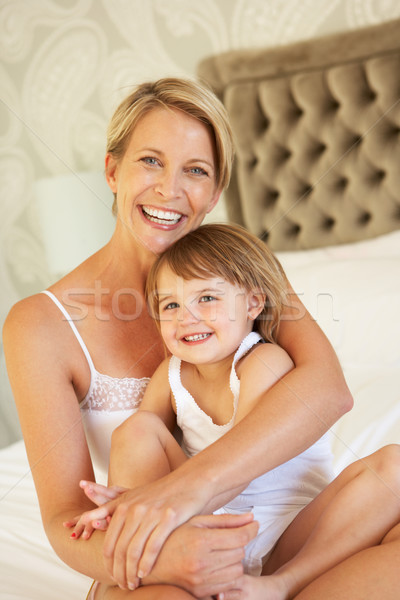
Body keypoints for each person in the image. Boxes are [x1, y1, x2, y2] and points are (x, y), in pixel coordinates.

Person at [2, 77, 355, 600]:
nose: (170, 189)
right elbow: (64, 519)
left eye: (196, 170)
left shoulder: (243, 277)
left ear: (214, 193)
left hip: (275, 535)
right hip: (152, 556)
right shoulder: (39, 324)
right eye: (150, 161)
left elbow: (329, 391)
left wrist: (186, 491)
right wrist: (171, 554)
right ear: (112, 171)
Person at [69, 223, 400, 600]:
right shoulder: (170, 375)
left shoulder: (263, 362)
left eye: (207, 298)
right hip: (204, 537)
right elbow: (143, 456)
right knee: (136, 430)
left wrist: (163, 499)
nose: (186, 317)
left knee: (393, 466)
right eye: (170, 305)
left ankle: (281, 586)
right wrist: (129, 501)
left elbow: (243, 465)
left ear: (252, 304)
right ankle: (134, 546)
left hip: (289, 539)